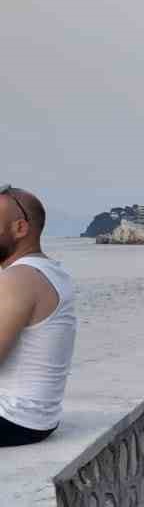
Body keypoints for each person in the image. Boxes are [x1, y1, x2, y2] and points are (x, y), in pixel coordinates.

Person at [0, 186, 77, 447]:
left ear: (20, 228)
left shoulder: (18, 279)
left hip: (12, 418)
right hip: (36, 419)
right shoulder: (51, 272)